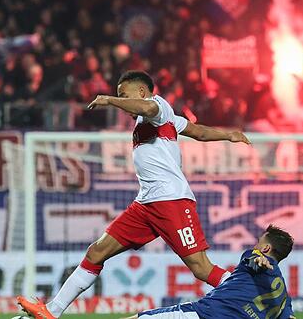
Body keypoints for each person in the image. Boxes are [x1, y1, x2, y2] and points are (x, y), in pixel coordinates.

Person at [18, 70, 251, 319]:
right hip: (146, 204)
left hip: (171, 199)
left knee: (201, 268)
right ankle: (52, 311)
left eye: (124, 95)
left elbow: (148, 108)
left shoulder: (158, 107)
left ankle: (251, 302)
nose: (122, 102)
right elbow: (199, 132)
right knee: (97, 252)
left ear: (141, 92)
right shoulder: (161, 121)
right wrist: (229, 134)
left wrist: (109, 99)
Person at [124, 225, 296, 319]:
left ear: (265, 248)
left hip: (202, 315)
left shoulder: (254, 256)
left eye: (258, 243)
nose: (255, 246)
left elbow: (254, 261)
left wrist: (260, 259)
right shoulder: (283, 297)